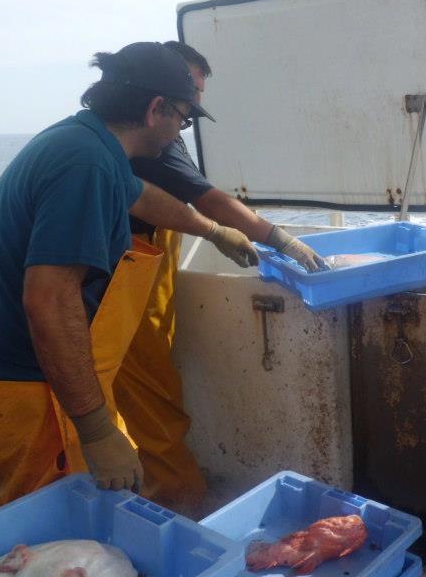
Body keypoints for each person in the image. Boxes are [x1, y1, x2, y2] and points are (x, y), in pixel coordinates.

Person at [0, 42, 258, 509]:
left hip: (35, 379)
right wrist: (97, 429)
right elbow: (49, 302)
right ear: (156, 108)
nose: (183, 128)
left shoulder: (89, 142)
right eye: (184, 116)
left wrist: (214, 229)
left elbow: (139, 196)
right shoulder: (85, 163)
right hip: (29, 388)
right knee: (46, 545)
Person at [112, 40, 325, 514]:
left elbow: (158, 198)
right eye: (189, 99)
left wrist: (214, 231)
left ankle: (150, 491)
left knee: (151, 384)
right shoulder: (132, 145)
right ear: (157, 102)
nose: (193, 109)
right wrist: (279, 239)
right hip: (124, 275)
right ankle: (177, 502)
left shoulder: (160, 136)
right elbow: (207, 200)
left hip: (151, 266)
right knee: (151, 395)